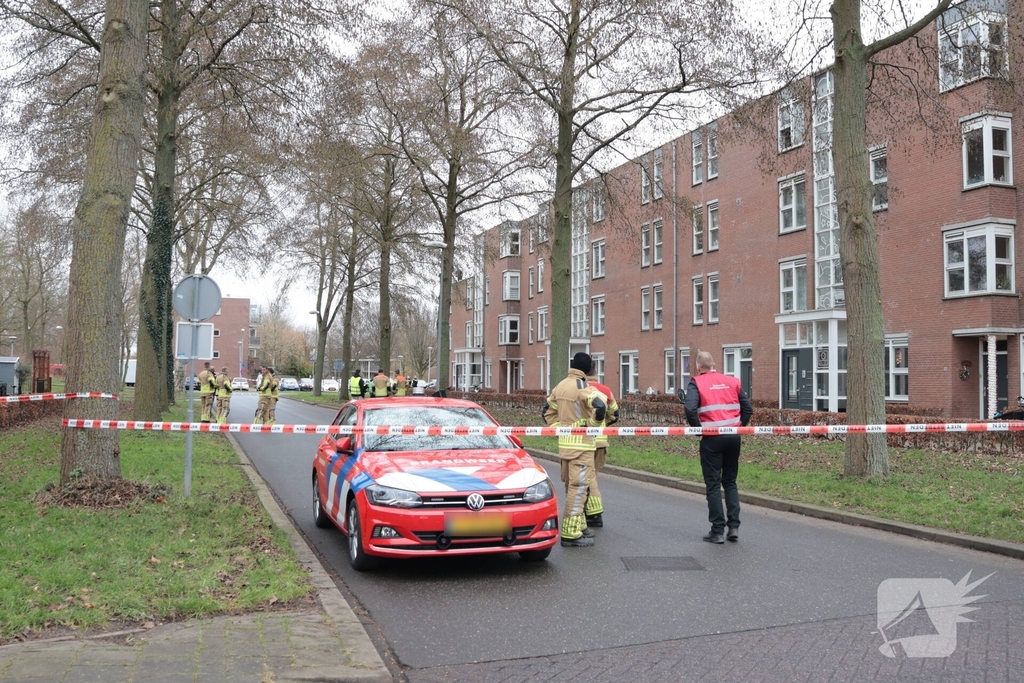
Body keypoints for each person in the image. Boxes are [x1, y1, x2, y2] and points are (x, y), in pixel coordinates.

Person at [683, 350, 753, 544]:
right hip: (733, 437)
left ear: (698, 367)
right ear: (714, 365)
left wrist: (699, 430)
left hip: (712, 439)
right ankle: (734, 527)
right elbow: (748, 409)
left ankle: (717, 530)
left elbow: (689, 408)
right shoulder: (732, 381)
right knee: (730, 482)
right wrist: (739, 428)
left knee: (713, 484)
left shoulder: (696, 382)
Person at [544, 352, 607, 548]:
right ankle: (571, 533)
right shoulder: (582, 386)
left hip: (566, 447)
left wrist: (560, 430)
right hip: (582, 447)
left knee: (572, 487)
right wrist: (591, 425)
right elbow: (601, 406)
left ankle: (579, 525)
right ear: (586, 368)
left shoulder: (560, 385)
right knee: (579, 490)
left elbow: (547, 412)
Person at [583, 372, 619, 529]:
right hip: (601, 442)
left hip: (582, 442)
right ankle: (590, 512)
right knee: (591, 477)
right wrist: (602, 426)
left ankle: (594, 515)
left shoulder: (579, 389)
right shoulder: (605, 390)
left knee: (586, 478)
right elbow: (615, 415)